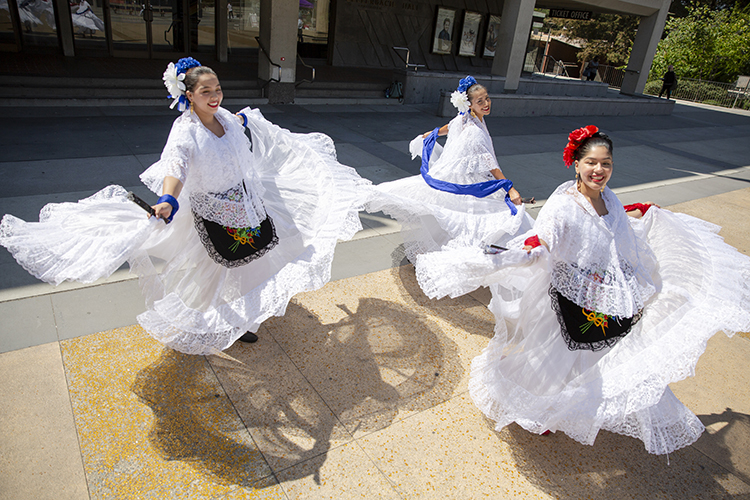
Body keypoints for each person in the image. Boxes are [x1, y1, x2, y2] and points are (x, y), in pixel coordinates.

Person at [416, 125, 750, 454]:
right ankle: (529, 407)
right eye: (591, 162)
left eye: (606, 163)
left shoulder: (611, 199)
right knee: (554, 362)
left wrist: (640, 211)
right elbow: (547, 238)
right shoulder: (563, 204)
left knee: (602, 363)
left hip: (606, 300)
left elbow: (613, 231)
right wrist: (534, 248)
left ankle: (569, 407)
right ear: (576, 163)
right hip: (569, 303)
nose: (599, 170)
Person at [0, 57, 368, 355]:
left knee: (250, 266)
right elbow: (175, 167)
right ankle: (194, 322)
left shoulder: (226, 117)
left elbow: (241, 124)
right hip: (211, 216)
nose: (215, 95)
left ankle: (240, 321)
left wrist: (248, 120)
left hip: (247, 207)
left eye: (218, 88)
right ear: (188, 95)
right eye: (206, 90)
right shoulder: (185, 131)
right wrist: (166, 199)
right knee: (208, 274)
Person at [365, 75, 534, 282]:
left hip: (469, 178)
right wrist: (510, 188)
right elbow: (491, 165)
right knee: (478, 217)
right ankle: (472, 259)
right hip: (470, 182)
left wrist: (433, 133)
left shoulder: (467, 117)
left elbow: (450, 126)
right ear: (470, 104)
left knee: (464, 217)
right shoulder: (473, 131)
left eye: (487, 99)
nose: (486, 104)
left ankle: (470, 253)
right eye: (480, 101)